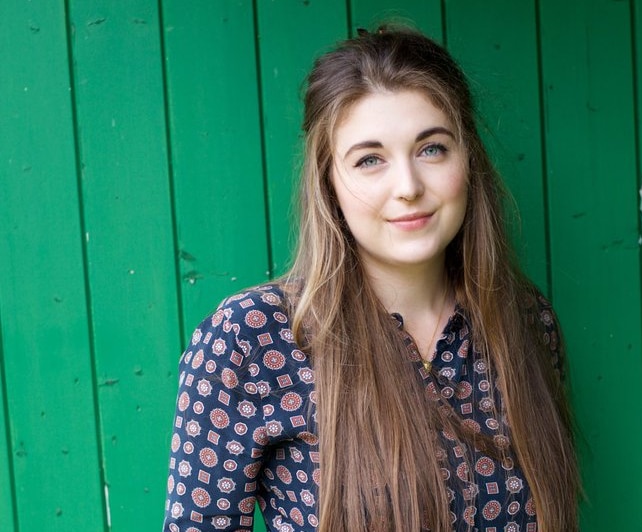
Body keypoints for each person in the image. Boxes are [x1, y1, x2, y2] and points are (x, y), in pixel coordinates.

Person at [163, 26, 579, 532]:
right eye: (370, 160)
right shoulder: (251, 340)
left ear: (468, 159)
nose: (407, 187)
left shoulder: (525, 320)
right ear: (329, 184)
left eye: (432, 149)